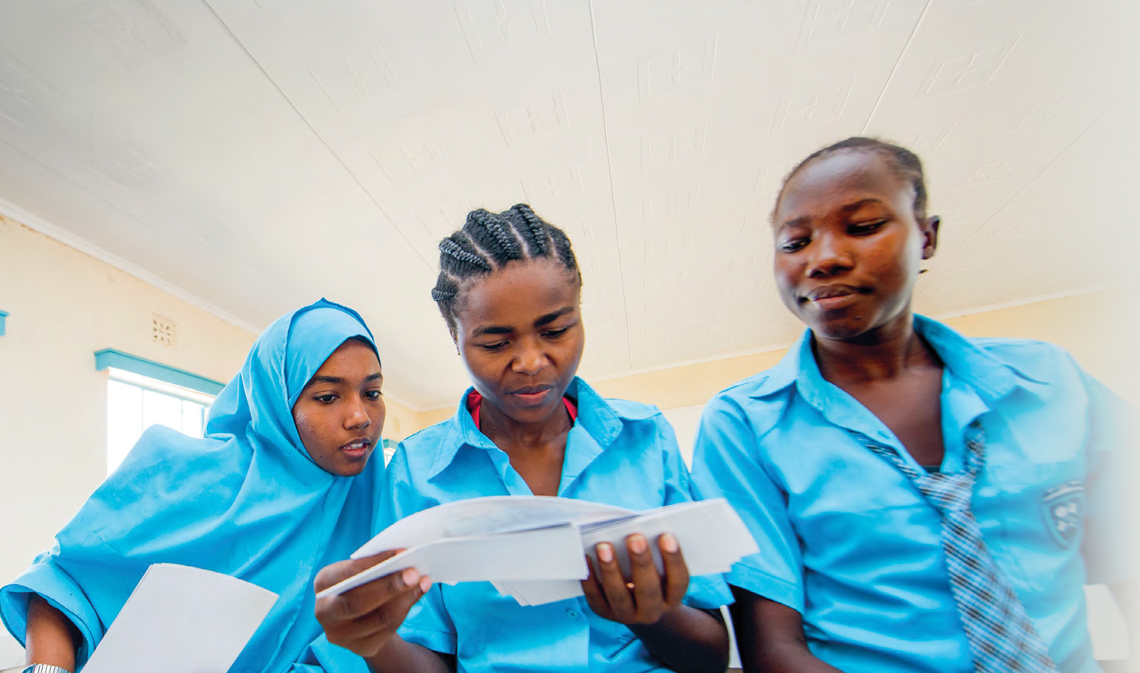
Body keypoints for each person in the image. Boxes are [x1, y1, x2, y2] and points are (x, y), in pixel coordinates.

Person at [689, 137, 1134, 673]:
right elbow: (773, 651)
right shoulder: (744, 425)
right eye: (796, 242)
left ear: (926, 237)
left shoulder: (1051, 381)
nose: (825, 258)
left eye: (863, 227)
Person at [312, 204, 732, 673]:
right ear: (455, 336)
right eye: (495, 343)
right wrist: (372, 641)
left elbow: (713, 656)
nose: (531, 361)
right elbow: (428, 656)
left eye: (555, 330)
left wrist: (651, 615)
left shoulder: (647, 438)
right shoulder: (417, 468)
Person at [1, 299, 389, 673]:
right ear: (276, 403)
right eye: (327, 396)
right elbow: (59, 582)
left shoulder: (379, 508)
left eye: (372, 393)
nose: (359, 416)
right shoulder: (176, 472)